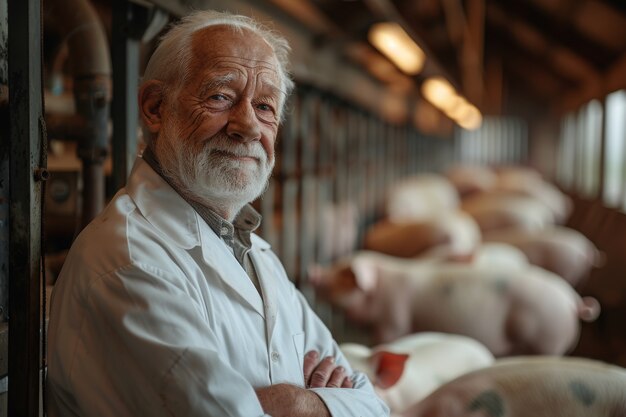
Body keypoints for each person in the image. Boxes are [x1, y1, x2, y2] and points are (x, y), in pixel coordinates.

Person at [46, 10, 389, 417]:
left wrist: (295, 404)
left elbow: (374, 405)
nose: (247, 125)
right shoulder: (128, 261)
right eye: (221, 97)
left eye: (265, 107)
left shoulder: (257, 255)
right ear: (155, 108)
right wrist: (318, 403)